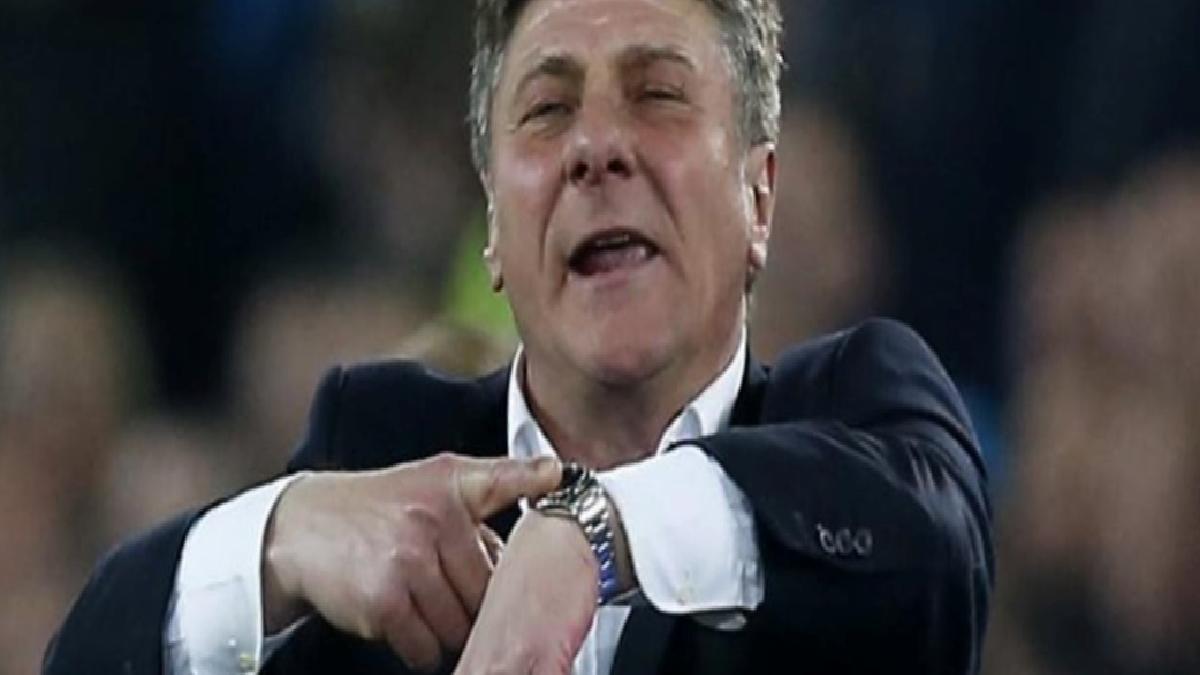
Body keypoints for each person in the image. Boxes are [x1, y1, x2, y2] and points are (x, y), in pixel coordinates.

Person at [44, 0, 993, 673]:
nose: (596, 148)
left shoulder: (857, 412)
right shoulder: (382, 448)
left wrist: (596, 533)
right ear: (493, 226)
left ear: (760, 195)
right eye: (547, 110)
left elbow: (933, 549)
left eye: (657, 94)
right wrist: (277, 538)